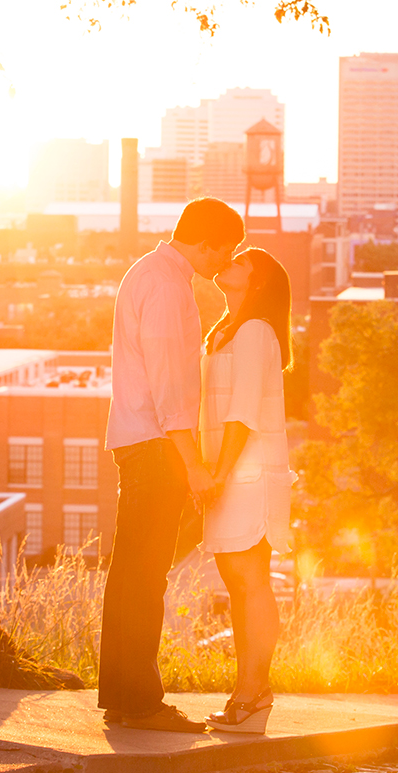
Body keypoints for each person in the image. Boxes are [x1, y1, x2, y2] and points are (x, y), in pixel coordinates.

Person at [100, 197, 245, 733]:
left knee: (134, 574)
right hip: (156, 445)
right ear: (206, 239)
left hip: (142, 440)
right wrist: (195, 465)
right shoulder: (166, 285)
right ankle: (139, 702)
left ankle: (124, 696)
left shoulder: (152, 272)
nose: (224, 261)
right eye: (225, 248)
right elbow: (170, 390)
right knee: (145, 575)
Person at [197, 248, 294, 734]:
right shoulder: (224, 331)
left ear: (256, 282)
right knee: (240, 585)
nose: (227, 262)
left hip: (245, 473)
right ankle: (249, 691)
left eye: (240, 261)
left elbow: (243, 411)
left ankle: (254, 692)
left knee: (250, 582)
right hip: (226, 470)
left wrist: (217, 474)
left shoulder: (256, 331)